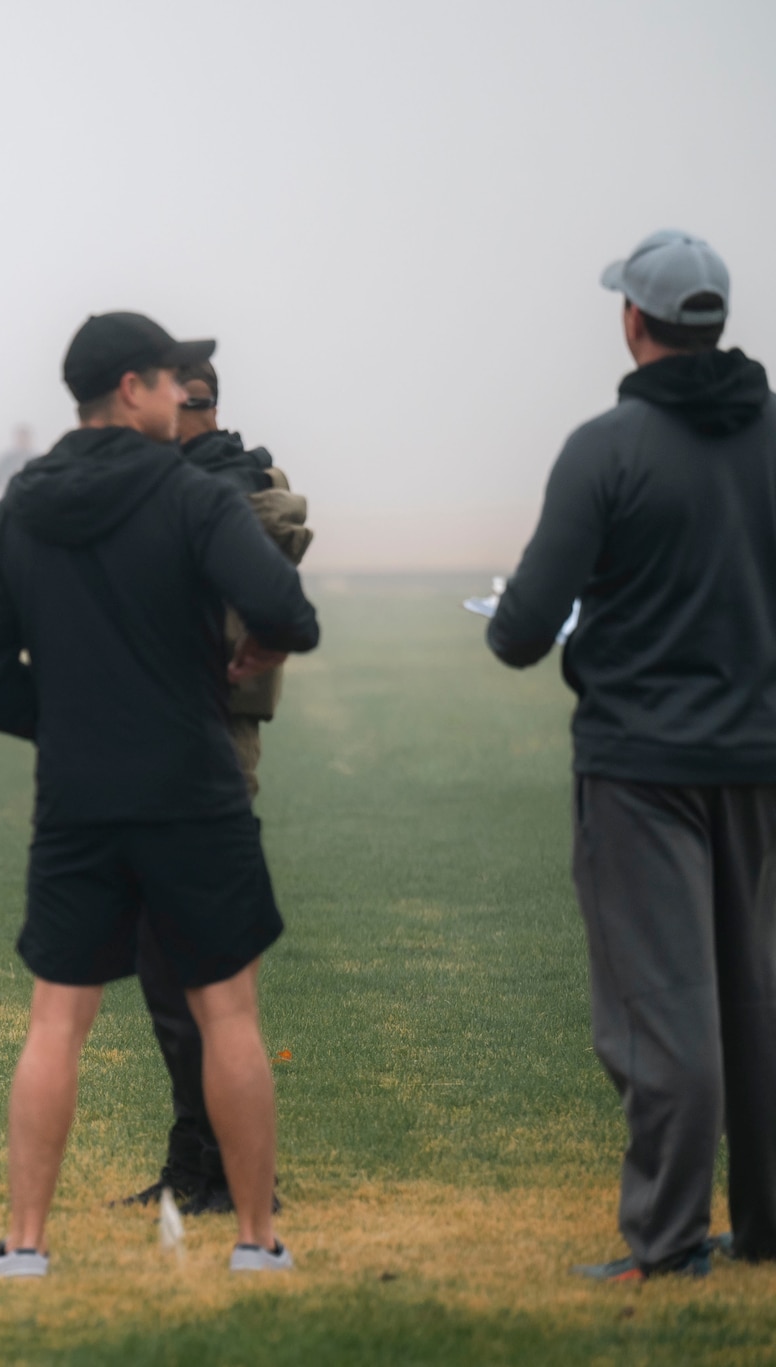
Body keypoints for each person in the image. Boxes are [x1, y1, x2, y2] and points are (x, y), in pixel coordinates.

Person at [0, 311, 318, 1277]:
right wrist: (248, 657)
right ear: (131, 390)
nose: (179, 397)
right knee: (228, 1013)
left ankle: (24, 1246)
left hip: (77, 794)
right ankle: (256, 1240)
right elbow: (287, 611)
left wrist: (65, 720)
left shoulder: (16, 511)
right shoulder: (193, 498)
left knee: (55, 1022)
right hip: (195, 783)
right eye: (167, 381)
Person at [488, 229, 776, 1282]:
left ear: (632, 321)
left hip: (639, 767)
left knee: (663, 1011)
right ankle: (765, 1226)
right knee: (754, 997)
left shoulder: (604, 447)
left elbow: (520, 628)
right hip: (756, 758)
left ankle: (663, 1240)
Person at [124, 357, 314, 1215]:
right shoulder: (228, 481)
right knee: (180, 978)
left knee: (189, 979)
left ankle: (232, 1176)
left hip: (198, 749)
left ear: (183, 408)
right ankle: (197, 1166)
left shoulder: (215, 492)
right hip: (197, 744)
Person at [0, 424, 37, 488]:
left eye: (24, 438)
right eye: (20, 438)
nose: (22, 441)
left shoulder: (36, 458)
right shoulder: (7, 459)